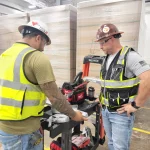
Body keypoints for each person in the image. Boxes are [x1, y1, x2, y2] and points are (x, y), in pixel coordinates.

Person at [0, 20, 87, 150]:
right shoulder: (37, 57)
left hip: (6, 128)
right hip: (23, 130)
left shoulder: (5, 55)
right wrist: (74, 115)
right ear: (38, 37)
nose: (43, 47)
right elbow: (55, 98)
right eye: (45, 43)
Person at [95, 23, 150, 150]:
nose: (100, 46)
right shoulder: (107, 58)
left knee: (120, 147)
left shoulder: (129, 56)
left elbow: (148, 79)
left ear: (112, 38)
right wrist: (101, 98)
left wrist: (135, 105)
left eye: (102, 42)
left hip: (120, 114)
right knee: (112, 144)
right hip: (106, 111)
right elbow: (107, 83)